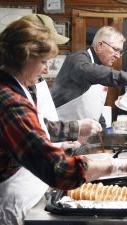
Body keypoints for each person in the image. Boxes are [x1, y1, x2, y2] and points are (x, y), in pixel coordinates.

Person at [0, 19, 127, 225]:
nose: (47, 69)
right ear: (24, 56)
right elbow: (58, 170)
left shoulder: (9, 86)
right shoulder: (8, 102)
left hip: (16, 198)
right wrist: (115, 166)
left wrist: (73, 129)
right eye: (44, 61)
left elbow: (34, 127)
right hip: (1, 214)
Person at [21, 14, 102, 149]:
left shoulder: (31, 79)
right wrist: (77, 128)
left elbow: (39, 123)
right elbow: (29, 130)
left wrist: (60, 144)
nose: (46, 70)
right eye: (43, 60)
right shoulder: (8, 91)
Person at [50, 26, 127, 129]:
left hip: (82, 134)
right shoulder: (78, 59)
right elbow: (88, 71)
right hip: (61, 131)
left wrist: (102, 133)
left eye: (120, 52)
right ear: (100, 46)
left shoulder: (101, 67)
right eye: (115, 49)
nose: (118, 56)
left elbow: (95, 108)